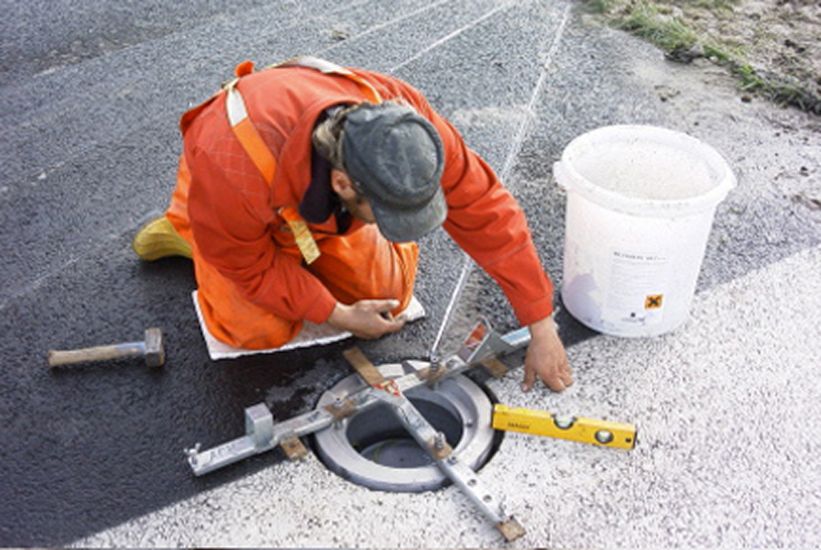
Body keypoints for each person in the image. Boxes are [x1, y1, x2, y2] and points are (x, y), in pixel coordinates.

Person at [133, 56, 572, 392]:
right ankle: (189, 231)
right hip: (238, 202)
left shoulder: (407, 128)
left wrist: (540, 322)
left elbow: (486, 209)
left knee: (388, 299)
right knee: (255, 328)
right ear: (343, 183)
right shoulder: (232, 166)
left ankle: (288, 251)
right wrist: (334, 311)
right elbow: (247, 265)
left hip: (312, 210)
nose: (406, 225)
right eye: (391, 216)